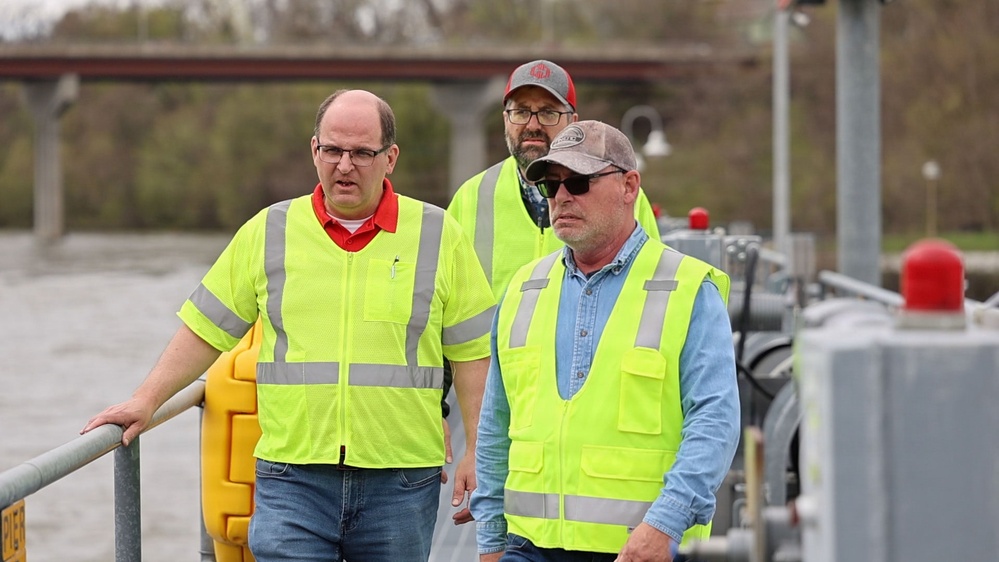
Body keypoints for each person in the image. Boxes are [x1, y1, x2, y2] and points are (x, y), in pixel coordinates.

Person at [82, 89, 496, 562]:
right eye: (333, 150)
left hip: (400, 481)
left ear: (391, 158)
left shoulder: (440, 235)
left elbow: (473, 355)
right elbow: (205, 328)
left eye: (362, 152)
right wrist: (145, 400)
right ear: (314, 150)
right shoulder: (268, 230)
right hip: (292, 478)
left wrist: (476, 452)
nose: (345, 165)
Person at [469, 120, 740, 562]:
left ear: (629, 185)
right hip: (527, 548)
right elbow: (496, 425)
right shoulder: (523, 289)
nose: (561, 196)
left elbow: (714, 420)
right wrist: (491, 540)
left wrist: (664, 524)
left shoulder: (687, 288)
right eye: (551, 185)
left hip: (640, 549)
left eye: (578, 181)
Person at [447, 59, 661, 303]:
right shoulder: (470, 197)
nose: (533, 124)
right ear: (506, 118)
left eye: (548, 112)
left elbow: (650, 284)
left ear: (573, 121)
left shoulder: (619, 191)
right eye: (521, 111)